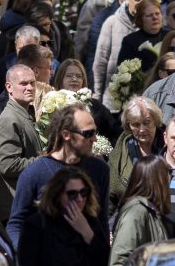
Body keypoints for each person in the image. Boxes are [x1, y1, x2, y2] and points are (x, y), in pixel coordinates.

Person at [7, 105, 111, 247]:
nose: (94, 139)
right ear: (66, 135)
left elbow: (102, 221)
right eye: (88, 133)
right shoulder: (35, 173)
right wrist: (26, 257)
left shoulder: (99, 170)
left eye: (95, 132)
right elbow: (16, 224)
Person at [108, 155, 172, 266]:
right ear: (156, 180)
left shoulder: (149, 211)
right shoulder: (136, 213)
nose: (169, 181)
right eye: (166, 176)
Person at [0, 65, 42, 220]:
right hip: (16, 211)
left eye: (32, 83)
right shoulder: (9, 120)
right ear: (9, 87)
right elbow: (8, 165)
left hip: (25, 207)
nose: (30, 87)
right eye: (23, 83)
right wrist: (44, 161)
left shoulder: (23, 113)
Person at [93, 0, 154, 111]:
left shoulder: (153, 29)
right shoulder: (111, 22)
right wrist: (97, 97)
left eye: (145, 0)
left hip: (143, 101)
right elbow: (100, 63)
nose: (141, 3)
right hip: (112, 100)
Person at [107, 96, 164, 214]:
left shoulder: (168, 145)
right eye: (136, 125)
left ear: (156, 121)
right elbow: (109, 198)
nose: (142, 129)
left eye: (147, 123)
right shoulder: (121, 151)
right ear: (129, 126)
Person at [52, 58, 117, 144]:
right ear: (61, 79)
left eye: (79, 76)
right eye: (69, 75)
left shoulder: (95, 105)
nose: (74, 79)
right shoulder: (51, 104)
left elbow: (113, 131)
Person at [115, 0, 167, 74]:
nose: (155, 17)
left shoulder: (169, 36)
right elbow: (123, 69)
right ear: (141, 19)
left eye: (157, 13)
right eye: (149, 15)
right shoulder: (130, 41)